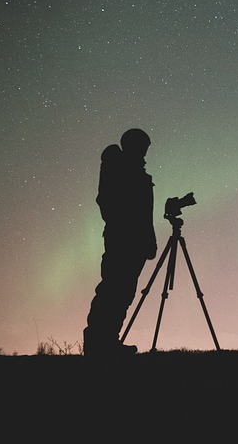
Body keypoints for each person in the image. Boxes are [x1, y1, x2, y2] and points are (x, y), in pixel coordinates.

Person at [83, 128, 158, 356]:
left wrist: (148, 239)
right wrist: (127, 228)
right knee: (113, 290)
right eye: (142, 147)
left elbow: (145, 212)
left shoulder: (136, 171)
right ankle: (98, 343)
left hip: (134, 241)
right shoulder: (119, 167)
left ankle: (109, 341)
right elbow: (108, 201)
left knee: (123, 292)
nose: (145, 153)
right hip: (122, 240)